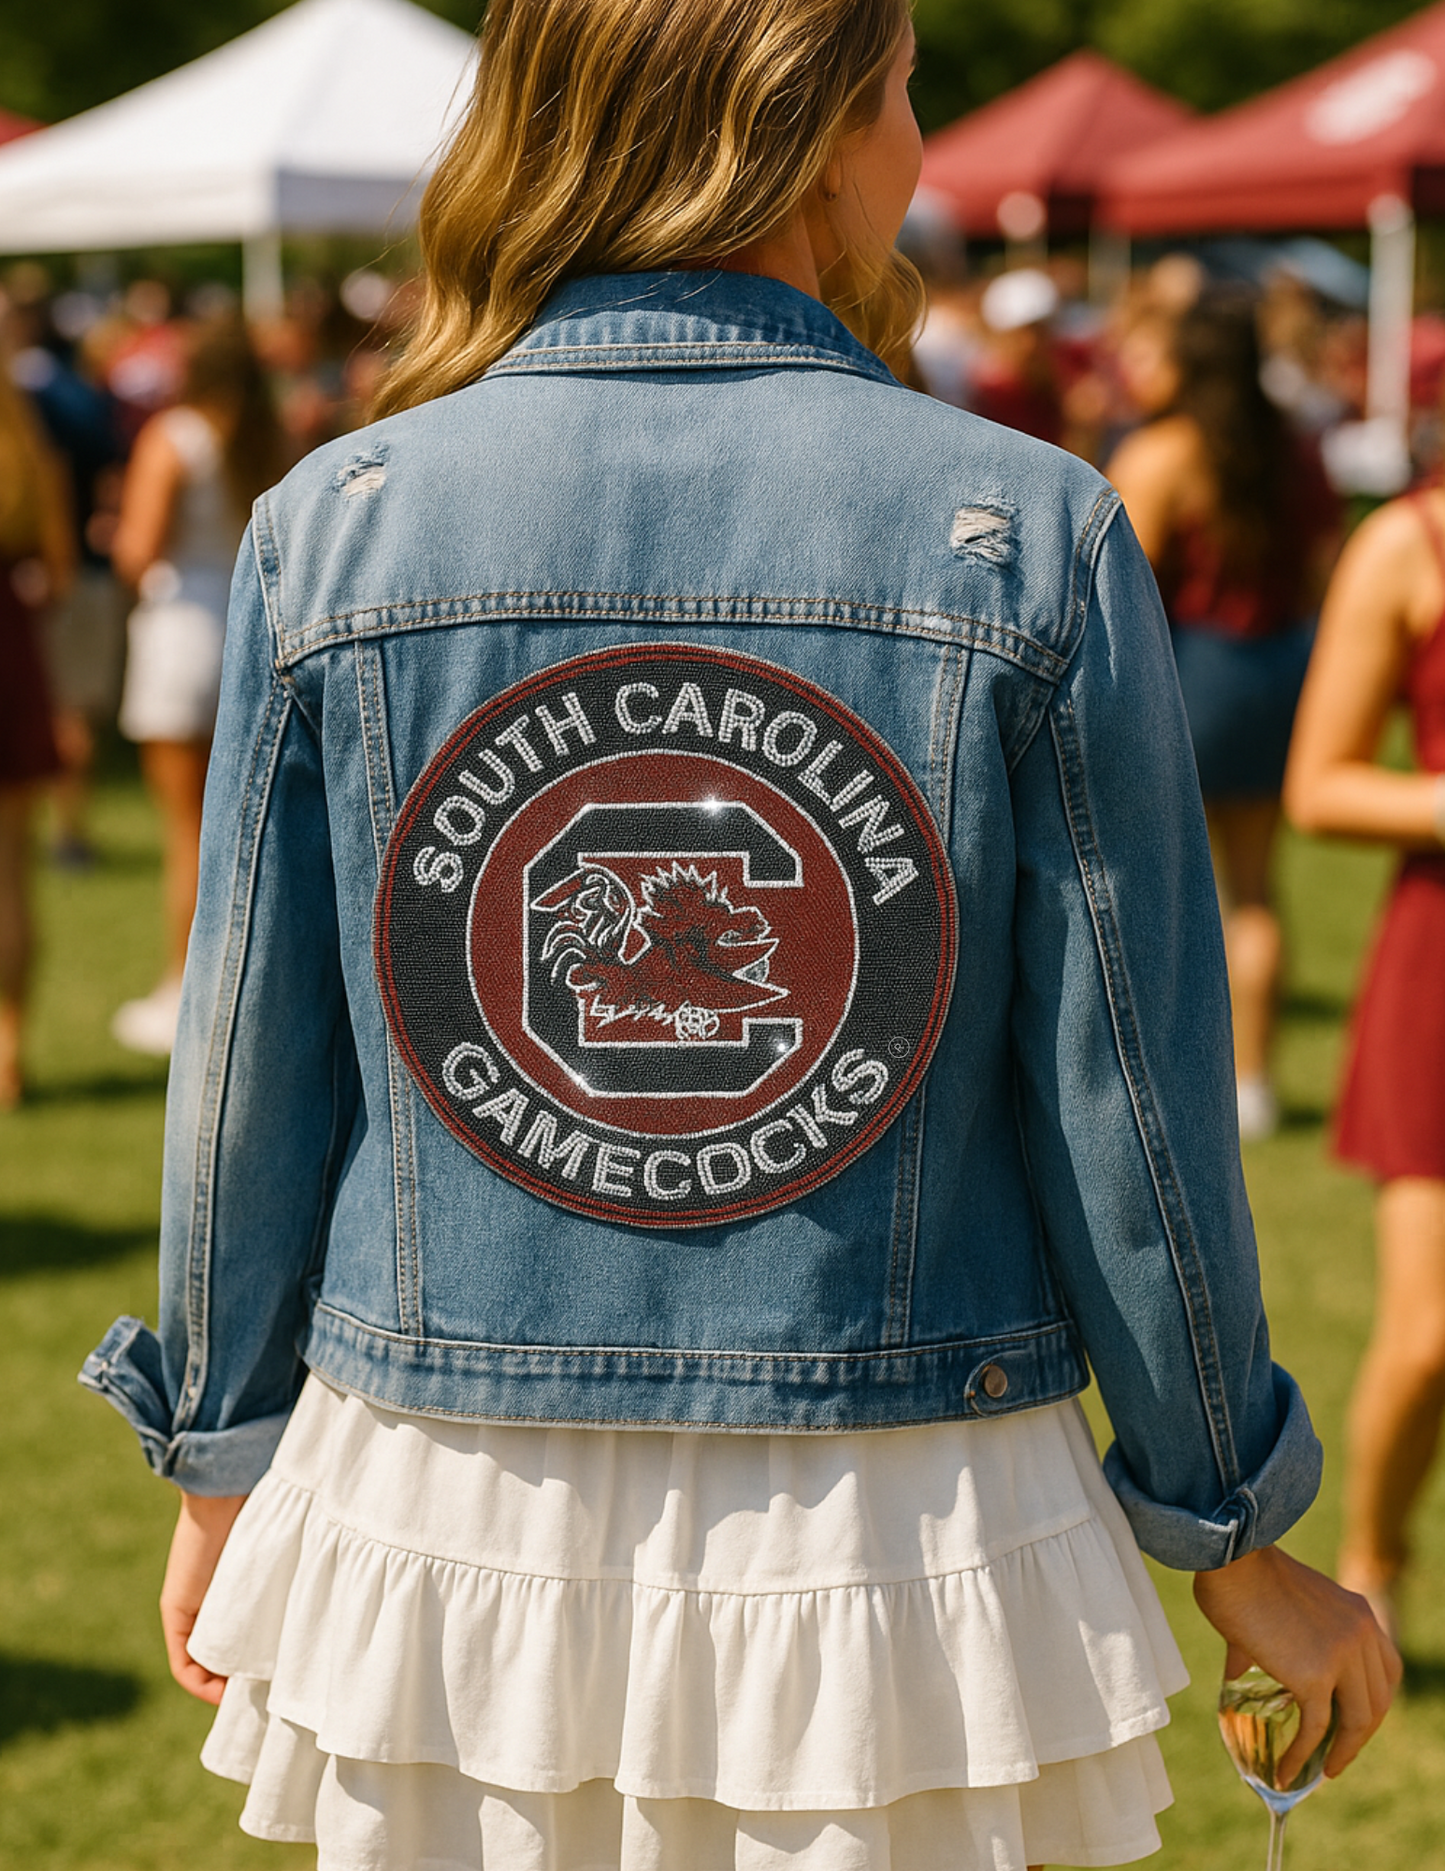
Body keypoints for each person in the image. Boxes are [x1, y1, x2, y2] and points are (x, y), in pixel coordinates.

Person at [82, 3, 1396, 1867]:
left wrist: (221, 1450)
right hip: (899, 1509)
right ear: (819, 121)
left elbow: (244, 1066)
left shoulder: (341, 525)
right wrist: (1230, 1520)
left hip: (450, 1491)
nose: (917, 138)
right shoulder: (1024, 526)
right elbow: (1136, 1107)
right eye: (907, 84)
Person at [1107, 293, 1339, 1141]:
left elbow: (1117, 591)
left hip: (1189, 673)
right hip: (1279, 670)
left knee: (1152, 885)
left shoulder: (1161, 453)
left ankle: (1157, 1079)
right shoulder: (1295, 449)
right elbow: (1322, 573)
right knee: (1254, 889)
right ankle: (1254, 1087)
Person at [1285, 480, 1445, 1645]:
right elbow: (1318, 783)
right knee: (1427, 1328)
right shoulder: (1406, 542)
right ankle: (1371, 1564)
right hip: (1435, 959)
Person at [109, 315, 283, 1056]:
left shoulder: (174, 437)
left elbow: (138, 550)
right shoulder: (271, 435)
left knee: (186, 832)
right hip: (248, 627)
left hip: (181, 632)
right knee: (244, 829)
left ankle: (184, 984)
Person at [0, 349, 73, 1107]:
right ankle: (9, 1050)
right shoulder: (22, 441)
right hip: (9, 641)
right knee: (11, 871)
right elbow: (54, 572)